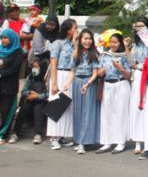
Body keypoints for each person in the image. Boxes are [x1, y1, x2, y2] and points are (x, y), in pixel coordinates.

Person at [65, 29, 101, 154]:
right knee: (78, 112)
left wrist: (87, 84)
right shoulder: (76, 53)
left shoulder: (94, 54)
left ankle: (83, 143)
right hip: (77, 83)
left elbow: (95, 73)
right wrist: (67, 84)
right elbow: (72, 71)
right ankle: (79, 139)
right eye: (85, 38)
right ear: (80, 40)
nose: (87, 41)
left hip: (89, 84)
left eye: (90, 39)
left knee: (87, 113)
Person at [96, 33, 131, 154]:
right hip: (107, 85)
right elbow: (99, 73)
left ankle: (120, 142)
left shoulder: (123, 56)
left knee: (120, 113)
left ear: (120, 43)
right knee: (107, 113)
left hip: (121, 84)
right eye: (111, 42)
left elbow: (129, 75)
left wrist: (120, 68)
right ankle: (107, 141)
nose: (113, 44)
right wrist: (102, 71)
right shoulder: (104, 55)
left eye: (115, 42)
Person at [47, 18, 78, 150]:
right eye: (75, 28)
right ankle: (54, 136)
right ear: (68, 29)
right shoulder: (57, 43)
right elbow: (53, 64)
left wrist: (76, 43)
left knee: (67, 106)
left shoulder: (74, 45)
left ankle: (62, 136)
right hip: (59, 74)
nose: (77, 30)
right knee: (56, 105)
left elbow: (76, 60)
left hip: (70, 75)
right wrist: (54, 83)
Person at [126, 17, 148, 154]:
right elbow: (131, 62)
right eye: (137, 27)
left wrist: (141, 65)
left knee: (147, 107)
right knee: (137, 106)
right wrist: (126, 47)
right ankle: (137, 141)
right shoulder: (136, 45)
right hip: (137, 76)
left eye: (142, 26)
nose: (139, 29)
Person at [7, 59, 48, 144]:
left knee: (38, 108)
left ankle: (38, 134)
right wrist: (30, 93)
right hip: (31, 98)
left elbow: (50, 94)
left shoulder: (47, 78)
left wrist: (38, 96)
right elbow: (23, 91)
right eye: (33, 67)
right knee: (25, 107)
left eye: (36, 67)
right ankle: (15, 133)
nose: (34, 69)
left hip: (43, 100)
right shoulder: (30, 77)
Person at [0, 28, 25, 144]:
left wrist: (1, 71)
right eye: (2, 38)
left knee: (7, 111)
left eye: (5, 38)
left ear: (12, 38)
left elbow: (13, 69)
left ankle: (3, 135)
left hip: (10, 86)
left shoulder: (19, 52)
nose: (3, 40)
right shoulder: (1, 50)